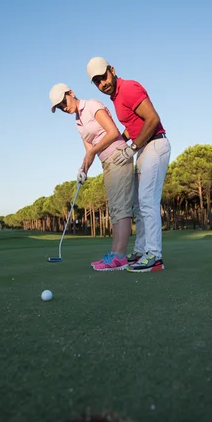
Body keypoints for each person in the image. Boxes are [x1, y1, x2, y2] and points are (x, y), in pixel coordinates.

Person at [86, 57, 171, 273]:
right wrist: (122, 144)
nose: (102, 83)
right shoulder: (116, 98)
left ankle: (155, 257)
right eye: (97, 82)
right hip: (144, 148)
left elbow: (152, 119)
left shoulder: (128, 88)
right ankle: (142, 251)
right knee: (138, 205)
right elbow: (132, 125)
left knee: (147, 201)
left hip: (155, 144)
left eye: (103, 77)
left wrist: (131, 148)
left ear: (112, 70)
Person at [49, 83, 134, 271]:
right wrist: (83, 169)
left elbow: (113, 132)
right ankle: (115, 254)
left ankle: (120, 256)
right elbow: (89, 152)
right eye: (60, 107)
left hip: (119, 155)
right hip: (106, 161)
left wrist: (94, 151)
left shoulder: (92, 105)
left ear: (71, 93)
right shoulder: (78, 122)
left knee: (121, 207)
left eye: (64, 102)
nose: (64, 108)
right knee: (114, 209)